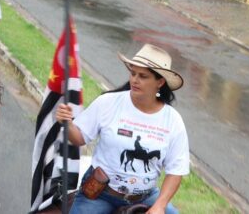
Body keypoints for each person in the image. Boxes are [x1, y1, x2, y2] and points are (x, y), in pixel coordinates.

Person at [55, 45, 189, 214]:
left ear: (160, 82)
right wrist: (67, 123)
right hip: (99, 194)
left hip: (146, 197)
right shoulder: (108, 103)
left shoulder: (173, 120)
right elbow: (79, 138)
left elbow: (176, 170)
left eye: (143, 76)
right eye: (133, 73)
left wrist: (160, 205)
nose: (134, 80)